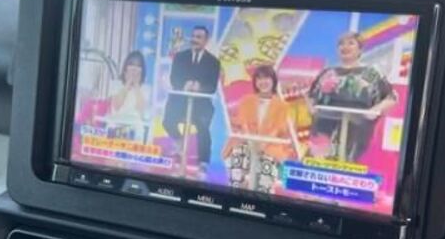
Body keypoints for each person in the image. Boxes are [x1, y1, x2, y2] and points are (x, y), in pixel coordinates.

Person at [307, 32, 397, 161]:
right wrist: (311, 108)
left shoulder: (370, 73)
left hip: (356, 129)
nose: (345, 47)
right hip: (324, 129)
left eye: (351, 43)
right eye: (341, 44)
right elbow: (310, 95)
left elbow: (391, 98)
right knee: (320, 161)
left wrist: (375, 110)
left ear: (360, 49)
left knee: (348, 162)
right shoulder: (328, 72)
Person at [223, 65, 294, 193]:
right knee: (238, 157)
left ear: (273, 80)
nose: (263, 82)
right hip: (247, 141)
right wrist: (252, 143)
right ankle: (235, 193)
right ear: (255, 82)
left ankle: (260, 198)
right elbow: (243, 124)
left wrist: (262, 144)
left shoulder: (282, 106)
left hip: (270, 145)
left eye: (266, 78)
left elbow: (277, 129)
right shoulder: (246, 101)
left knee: (266, 168)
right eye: (259, 78)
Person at [162, 26, 221, 174]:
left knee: (203, 127)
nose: (194, 40)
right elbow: (174, 79)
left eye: (199, 37)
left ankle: (203, 162)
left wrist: (200, 87)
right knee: (167, 121)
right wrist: (184, 85)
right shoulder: (180, 57)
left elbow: (212, 87)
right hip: (180, 101)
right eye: (193, 36)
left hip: (201, 104)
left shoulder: (213, 62)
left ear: (206, 40)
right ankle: (179, 141)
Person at [107, 51, 150, 141]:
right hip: (116, 124)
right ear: (125, 67)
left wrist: (136, 86)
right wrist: (127, 84)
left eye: (138, 66)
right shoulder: (116, 85)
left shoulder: (146, 89)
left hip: (135, 127)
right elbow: (116, 106)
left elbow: (141, 111)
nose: (134, 69)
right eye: (131, 65)